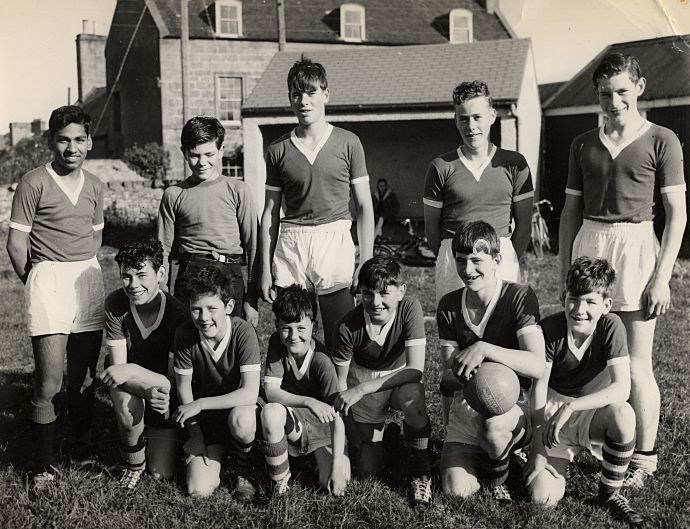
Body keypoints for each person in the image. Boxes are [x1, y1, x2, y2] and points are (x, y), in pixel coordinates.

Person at [558, 52, 686, 488]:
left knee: (635, 364)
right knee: (591, 356)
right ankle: (593, 440)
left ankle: (644, 459)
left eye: (622, 92)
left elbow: (677, 214)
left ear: (641, 88)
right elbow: (569, 213)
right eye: (604, 93)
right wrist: (564, 273)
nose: (613, 101)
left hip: (635, 244)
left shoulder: (661, 139)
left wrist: (662, 275)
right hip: (591, 242)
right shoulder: (582, 143)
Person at [6, 105, 105, 488]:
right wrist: (37, 279)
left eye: (79, 139)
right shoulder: (34, 182)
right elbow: (16, 244)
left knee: (83, 378)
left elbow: (95, 236)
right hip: (47, 278)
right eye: (63, 140)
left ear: (89, 142)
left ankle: (81, 448)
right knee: (49, 382)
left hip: (87, 279)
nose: (71, 148)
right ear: (51, 141)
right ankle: (43, 465)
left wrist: (79, 265)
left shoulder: (96, 184)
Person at [260, 55, 375, 348]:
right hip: (292, 243)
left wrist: (366, 259)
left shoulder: (348, 143)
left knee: (341, 338)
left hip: (333, 240)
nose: (303, 101)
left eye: (311, 92)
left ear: (325, 94)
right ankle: (295, 393)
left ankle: (340, 393)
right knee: (294, 337)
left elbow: (363, 206)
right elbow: (270, 213)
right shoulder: (278, 149)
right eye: (296, 94)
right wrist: (263, 269)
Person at [525, 257, 644, 526]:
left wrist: (573, 407)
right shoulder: (551, 328)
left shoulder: (611, 326)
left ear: (606, 305)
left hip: (590, 411)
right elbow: (539, 387)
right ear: (564, 296)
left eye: (590, 301)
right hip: (553, 414)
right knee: (542, 498)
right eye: (574, 299)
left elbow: (622, 388)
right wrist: (538, 443)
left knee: (624, 415)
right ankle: (528, 455)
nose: (580, 309)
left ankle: (609, 494)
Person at [438, 221, 544, 502]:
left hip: (511, 407)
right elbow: (447, 379)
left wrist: (484, 349)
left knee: (493, 426)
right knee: (457, 491)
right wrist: (463, 368)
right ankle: (494, 457)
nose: (468, 270)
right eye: (461, 261)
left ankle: (501, 474)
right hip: (466, 406)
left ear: (497, 260)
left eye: (477, 260)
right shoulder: (449, 305)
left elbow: (537, 365)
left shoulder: (519, 296)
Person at [331, 256, 432, 509]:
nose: (375, 302)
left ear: (401, 291)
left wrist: (362, 390)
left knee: (414, 396)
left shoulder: (410, 308)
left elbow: (415, 370)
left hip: (397, 377)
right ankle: (391, 438)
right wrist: (352, 435)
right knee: (369, 471)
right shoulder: (346, 326)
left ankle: (421, 470)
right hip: (361, 378)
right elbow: (341, 388)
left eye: (384, 293)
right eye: (368, 293)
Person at [423, 80, 534, 307]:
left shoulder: (514, 163)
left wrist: (503, 257)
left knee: (502, 330)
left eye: (477, 117)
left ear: (492, 116)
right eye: (463, 118)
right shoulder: (441, 166)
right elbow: (432, 230)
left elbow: (523, 227)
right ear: (455, 120)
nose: (471, 126)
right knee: (458, 332)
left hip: (498, 255)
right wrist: (452, 256)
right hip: (456, 260)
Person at [99, 239, 188, 489]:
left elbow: (171, 382)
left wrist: (135, 371)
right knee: (125, 402)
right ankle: (132, 462)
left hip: (164, 397)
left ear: (160, 274)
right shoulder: (116, 305)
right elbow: (118, 373)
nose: (133, 285)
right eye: (126, 276)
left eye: (141, 275)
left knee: (162, 474)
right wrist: (144, 388)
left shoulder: (177, 313)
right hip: (137, 389)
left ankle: (155, 433)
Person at [158, 116, 259, 326]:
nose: (202, 162)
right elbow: (163, 247)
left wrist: (251, 298)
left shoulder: (238, 190)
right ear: (184, 152)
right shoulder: (174, 194)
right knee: (190, 342)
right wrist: (163, 290)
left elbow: (253, 245)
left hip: (229, 272)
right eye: (195, 155)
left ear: (221, 151)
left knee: (230, 342)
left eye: (209, 154)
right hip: (190, 273)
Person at [172, 267, 260, 500]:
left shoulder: (243, 331)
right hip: (207, 422)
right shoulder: (184, 334)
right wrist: (195, 433)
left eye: (212, 308)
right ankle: (220, 455)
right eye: (196, 309)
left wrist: (201, 404)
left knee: (242, 420)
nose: (204, 318)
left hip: (238, 412)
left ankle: (243, 469)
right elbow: (183, 388)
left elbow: (250, 393)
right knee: (198, 490)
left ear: (229, 307)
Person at [260, 285, 350, 496]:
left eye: (301, 328)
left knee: (338, 482)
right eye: (286, 327)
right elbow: (271, 391)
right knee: (271, 411)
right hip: (295, 423)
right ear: (276, 325)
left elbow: (337, 418)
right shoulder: (276, 342)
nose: (293, 336)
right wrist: (309, 401)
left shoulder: (322, 361)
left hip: (322, 431)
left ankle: (317, 460)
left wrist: (336, 467)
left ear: (314, 326)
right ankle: (280, 482)